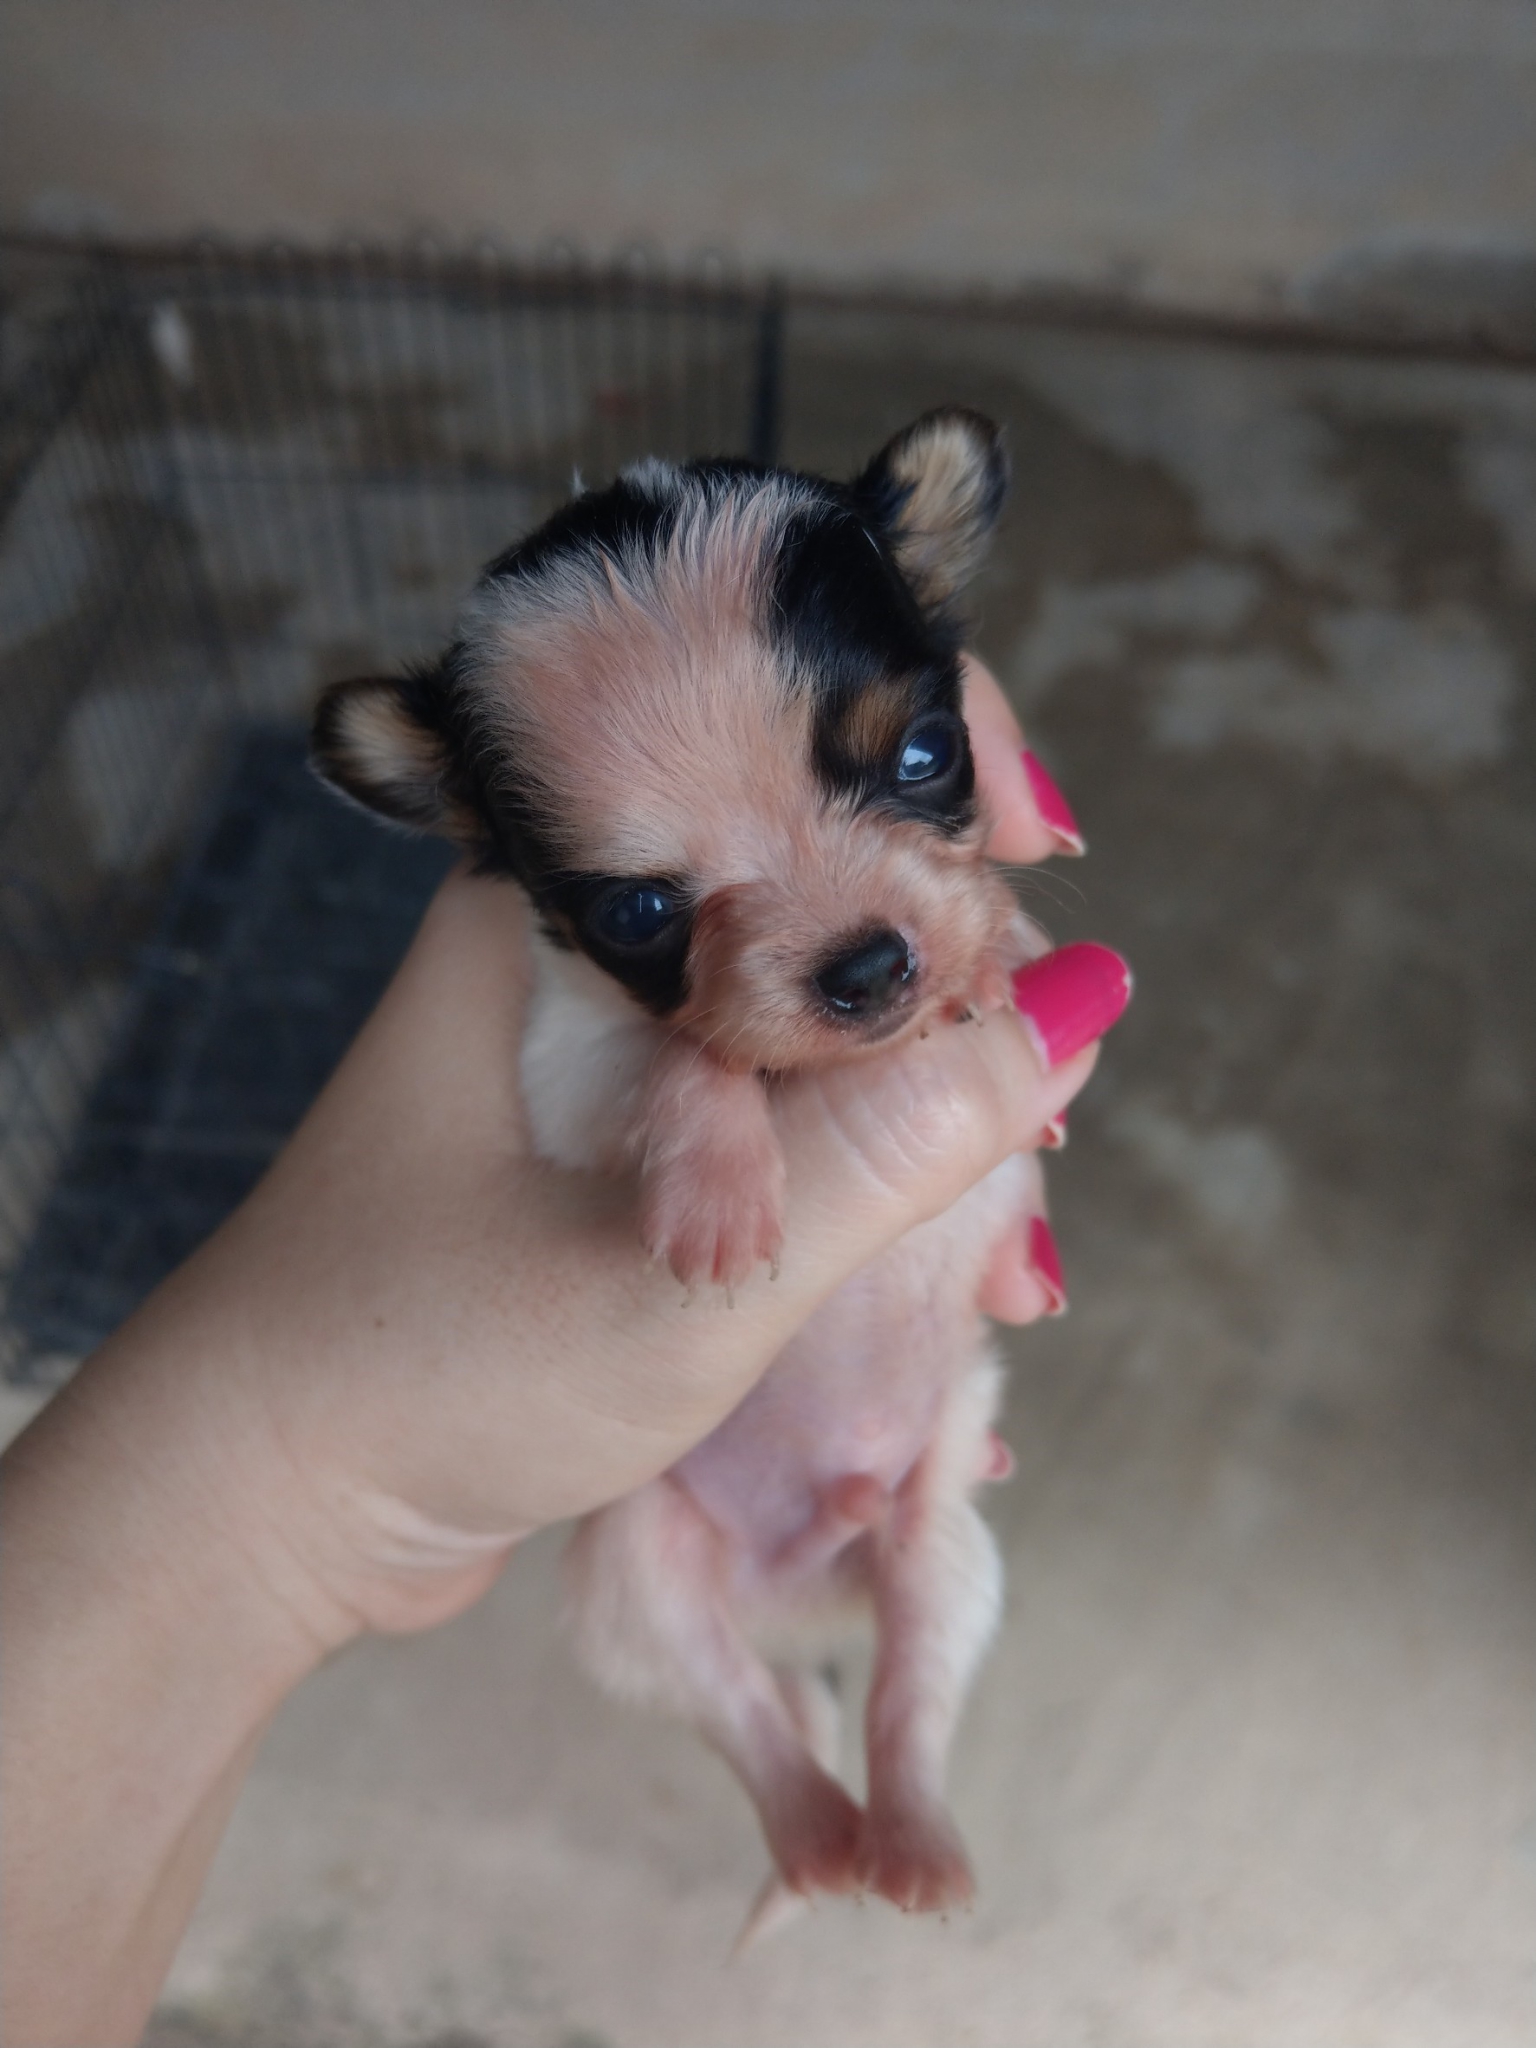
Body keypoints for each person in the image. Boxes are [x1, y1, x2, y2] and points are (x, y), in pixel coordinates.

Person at [0, 661, 1127, 2047]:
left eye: (905, 775)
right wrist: (696, 1083)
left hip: (901, 1456)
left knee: (938, 1561)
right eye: (651, 905)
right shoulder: (577, 1002)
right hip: (694, 1487)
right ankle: (781, 1770)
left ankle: (907, 1766)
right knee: (640, 1573)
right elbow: (589, 1086)